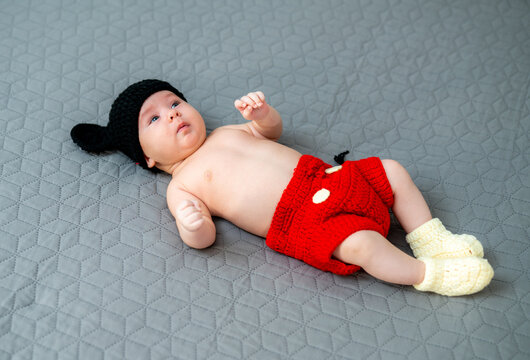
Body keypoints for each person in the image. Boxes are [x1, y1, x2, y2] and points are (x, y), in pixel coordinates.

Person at [71, 79, 494, 296]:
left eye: (175, 103)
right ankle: (429, 274)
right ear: (147, 157)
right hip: (305, 220)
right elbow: (201, 238)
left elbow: (270, 133)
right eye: (154, 119)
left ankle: (431, 239)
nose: (172, 114)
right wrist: (192, 222)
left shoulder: (228, 133)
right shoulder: (181, 185)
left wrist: (264, 114)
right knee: (364, 246)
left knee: (391, 170)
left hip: (327, 176)